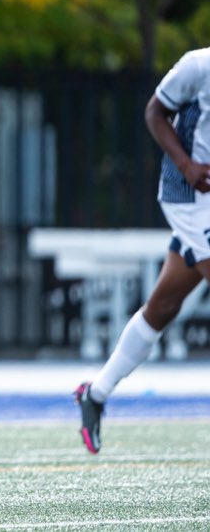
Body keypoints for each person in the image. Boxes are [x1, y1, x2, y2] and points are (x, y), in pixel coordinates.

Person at [74, 54, 210, 454]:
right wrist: (185, 165)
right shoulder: (199, 65)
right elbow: (155, 112)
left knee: (163, 306)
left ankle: (95, 394)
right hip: (189, 196)